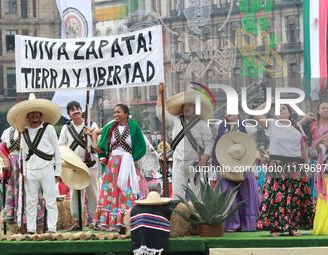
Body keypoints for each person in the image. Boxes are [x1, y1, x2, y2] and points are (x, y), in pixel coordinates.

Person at [254, 97, 314, 237]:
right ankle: (275, 228)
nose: (280, 110)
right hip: (278, 164)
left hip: (295, 165)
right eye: (278, 109)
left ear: (289, 113)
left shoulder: (296, 127)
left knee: (293, 196)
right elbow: (256, 113)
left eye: (284, 108)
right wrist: (268, 102)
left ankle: (292, 227)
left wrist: (307, 166)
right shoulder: (272, 124)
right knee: (276, 195)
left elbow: (303, 148)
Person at [7, 93, 62, 235]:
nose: (34, 115)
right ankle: (31, 230)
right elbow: (23, 155)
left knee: (50, 200)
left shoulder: (48, 128)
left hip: (47, 168)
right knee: (30, 202)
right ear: (28, 116)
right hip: (30, 170)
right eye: (31, 113)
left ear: (40, 114)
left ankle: (52, 229)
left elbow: (57, 151)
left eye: (36, 112)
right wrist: (23, 173)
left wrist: (58, 172)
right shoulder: (23, 133)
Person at [91, 104, 147, 233]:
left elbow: (141, 144)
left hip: (128, 162)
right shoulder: (111, 127)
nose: (115, 115)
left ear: (126, 113)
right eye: (114, 112)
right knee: (113, 191)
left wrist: (135, 158)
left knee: (127, 191)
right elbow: (95, 132)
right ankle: (114, 222)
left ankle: (129, 220)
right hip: (113, 164)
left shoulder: (133, 126)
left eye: (118, 112)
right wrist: (96, 146)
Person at [156, 83, 213, 200]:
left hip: (196, 162)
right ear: (181, 108)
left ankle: (197, 217)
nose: (187, 108)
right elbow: (160, 113)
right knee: (177, 194)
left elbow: (208, 144)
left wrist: (205, 159)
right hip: (178, 161)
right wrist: (160, 93)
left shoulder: (202, 124)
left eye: (190, 105)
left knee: (198, 194)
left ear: (195, 108)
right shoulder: (176, 120)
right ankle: (178, 217)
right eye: (185, 105)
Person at [211, 106, 260, 232]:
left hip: (243, 162)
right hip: (225, 162)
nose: (229, 112)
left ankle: (246, 224)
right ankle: (232, 224)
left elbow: (250, 144)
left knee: (246, 193)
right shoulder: (220, 126)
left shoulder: (246, 126)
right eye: (227, 109)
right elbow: (216, 144)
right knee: (228, 194)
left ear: (238, 112)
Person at [59, 101, 99, 231]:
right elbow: (61, 145)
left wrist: (91, 135)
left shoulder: (92, 125)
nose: (76, 111)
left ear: (82, 110)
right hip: (74, 166)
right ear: (69, 113)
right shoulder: (66, 128)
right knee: (75, 193)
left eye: (78, 109)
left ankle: (97, 221)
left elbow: (98, 146)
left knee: (93, 192)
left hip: (90, 163)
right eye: (73, 110)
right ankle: (77, 222)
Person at [0, 127, 44, 226]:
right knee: (16, 191)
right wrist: (6, 160)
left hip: (28, 162)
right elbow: (1, 147)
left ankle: (31, 225)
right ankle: (20, 226)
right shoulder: (7, 131)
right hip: (14, 164)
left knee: (30, 190)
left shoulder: (29, 129)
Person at [298, 101, 328, 203]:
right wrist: (306, 118)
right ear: (318, 111)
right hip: (315, 160)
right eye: (323, 108)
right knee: (315, 187)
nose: (326, 110)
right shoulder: (312, 124)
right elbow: (296, 128)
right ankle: (315, 208)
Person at [313, 131, 328, 235]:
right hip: (326, 181)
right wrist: (321, 140)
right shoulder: (322, 150)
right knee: (326, 203)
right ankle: (325, 227)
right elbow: (316, 145)